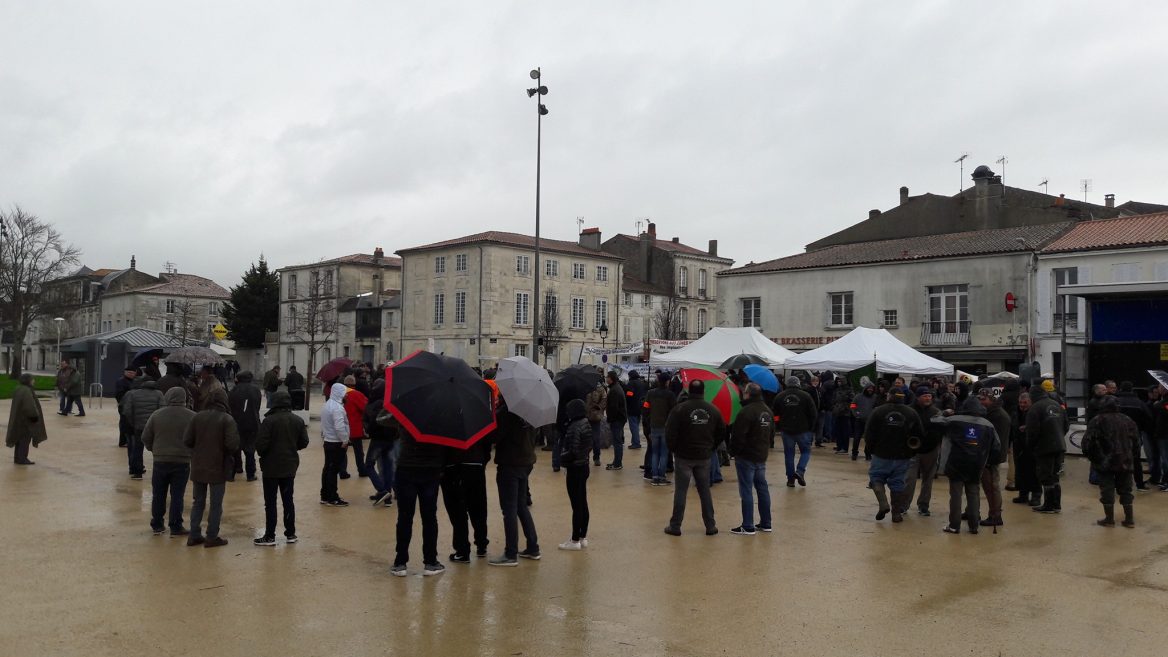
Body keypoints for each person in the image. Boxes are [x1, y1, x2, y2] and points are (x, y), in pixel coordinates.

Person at [663, 380, 725, 537]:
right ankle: (710, 525)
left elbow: (669, 433)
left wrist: (674, 449)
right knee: (704, 491)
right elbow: (721, 433)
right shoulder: (714, 410)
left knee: (681, 491)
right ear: (703, 391)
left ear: (689, 391)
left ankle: (675, 525)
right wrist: (711, 447)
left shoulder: (679, 409)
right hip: (704, 456)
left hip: (683, 455)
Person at [182, 388, 240, 548]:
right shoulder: (227, 419)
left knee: (197, 502)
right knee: (216, 504)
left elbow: (187, 440)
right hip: (218, 466)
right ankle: (212, 536)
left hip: (198, 465)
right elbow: (232, 445)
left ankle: (194, 534)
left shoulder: (197, 417)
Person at [934, 397, 1001, 534]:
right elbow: (997, 446)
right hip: (977, 464)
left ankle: (954, 526)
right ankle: (974, 526)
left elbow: (935, 421)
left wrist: (944, 413)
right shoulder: (988, 424)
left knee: (956, 495)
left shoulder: (954, 420)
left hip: (956, 462)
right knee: (973, 494)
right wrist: (990, 461)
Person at [254, 390, 310, 545]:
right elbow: (304, 442)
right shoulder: (297, 420)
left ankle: (270, 535)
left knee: (270, 502)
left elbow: (261, 444)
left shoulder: (269, 421)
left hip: (271, 467)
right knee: (288, 500)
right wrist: (292, 447)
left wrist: (265, 452)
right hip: (290, 465)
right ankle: (290, 534)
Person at [489, 399, 541, 566]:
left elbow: (494, 435)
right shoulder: (531, 409)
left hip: (510, 462)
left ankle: (511, 553)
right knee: (520, 506)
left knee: (509, 509)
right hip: (525, 461)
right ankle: (533, 547)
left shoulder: (507, 411)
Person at [141, 388, 196, 536]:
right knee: (177, 495)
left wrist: (154, 449)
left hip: (160, 460)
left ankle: (157, 524)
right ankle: (176, 525)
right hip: (182, 461)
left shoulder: (157, 415)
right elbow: (197, 439)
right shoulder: (192, 416)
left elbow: (145, 437)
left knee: (158, 493)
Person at [865, 389, 924, 522]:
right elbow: (919, 435)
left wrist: (871, 450)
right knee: (898, 483)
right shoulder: (911, 413)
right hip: (902, 455)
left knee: (876, 478)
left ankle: (883, 503)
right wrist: (911, 452)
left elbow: (869, 433)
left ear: (889, 395)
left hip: (881, 453)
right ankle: (896, 514)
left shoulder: (878, 411)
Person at [441, 409, 491, 563]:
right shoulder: (478, 413)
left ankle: (462, 550)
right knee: (478, 506)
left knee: (457, 510)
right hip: (475, 462)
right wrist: (482, 461)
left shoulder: (443, 415)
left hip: (452, 465)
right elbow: (487, 443)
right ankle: (481, 543)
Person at [1081, 396, 1138, 528]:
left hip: (1104, 462)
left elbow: (1087, 443)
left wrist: (1093, 457)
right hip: (1125, 462)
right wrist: (1131, 456)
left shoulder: (1097, 420)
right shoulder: (1127, 420)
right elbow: (1136, 442)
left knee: (1107, 490)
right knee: (1126, 490)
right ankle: (1129, 520)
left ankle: (1109, 519)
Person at [728, 383, 775, 535]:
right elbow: (771, 433)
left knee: (746, 489)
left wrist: (733, 452)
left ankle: (748, 525)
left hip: (746, 455)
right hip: (761, 454)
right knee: (762, 488)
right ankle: (766, 522)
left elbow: (738, 436)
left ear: (747, 394)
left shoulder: (746, 412)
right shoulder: (767, 410)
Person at [1029, 380, 1068, 514]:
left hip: (1044, 447)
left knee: (1045, 476)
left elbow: (1033, 431)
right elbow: (1066, 425)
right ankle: (1057, 505)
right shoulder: (1057, 405)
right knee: (1055, 476)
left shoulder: (1035, 408)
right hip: (1060, 446)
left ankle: (1048, 505)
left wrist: (1031, 446)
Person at [903, 386, 943, 515]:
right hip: (912, 450)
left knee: (928, 479)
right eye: (925, 396)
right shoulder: (908, 410)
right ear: (918, 397)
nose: (928, 398)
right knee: (909, 479)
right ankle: (904, 505)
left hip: (931, 449)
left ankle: (924, 505)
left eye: (930, 396)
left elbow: (942, 429)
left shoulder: (936, 411)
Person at [558, 398, 592, 550]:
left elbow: (572, 451)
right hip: (584, 465)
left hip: (574, 468)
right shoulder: (586, 423)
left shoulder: (573, 427)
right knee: (583, 503)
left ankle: (574, 540)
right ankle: (583, 536)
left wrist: (561, 458)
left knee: (576, 505)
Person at [774, 375, 817, 488]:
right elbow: (813, 414)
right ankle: (800, 471)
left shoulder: (780, 396)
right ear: (798, 384)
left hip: (786, 430)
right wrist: (811, 429)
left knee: (789, 455)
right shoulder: (806, 396)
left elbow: (775, 415)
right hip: (803, 430)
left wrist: (779, 425)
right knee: (806, 452)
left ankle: (790, 479)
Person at [979, 388, 1013, 527]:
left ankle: (995, 515)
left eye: (983, 399)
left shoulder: (997, 415)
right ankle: (994, 514)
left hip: (992, 456)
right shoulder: (994, 412)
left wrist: (990, 457)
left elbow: (994, 439)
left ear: (991, 399)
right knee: (990, 486)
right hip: (991, 455)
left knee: (992, 487)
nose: (981, 402)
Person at [120, 377, 165, 479]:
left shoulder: (133, 394)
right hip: (154, 427)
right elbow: (162, 410)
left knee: (137, 449)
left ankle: (137, 472)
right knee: (157, 449)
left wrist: (133, 422)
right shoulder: (159, 394)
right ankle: (158, 472)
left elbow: (127, 410)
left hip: (139, 426)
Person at [364, 379, 398, 507]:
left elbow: (374, 422)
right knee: (387, 467)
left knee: (368, 465)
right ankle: (387, 496)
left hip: (378, 439)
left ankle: (382, 490)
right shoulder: (390, 402)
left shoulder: (377, 404)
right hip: (390, 440)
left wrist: (368, 431)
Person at [1114, 381, 1154, 489]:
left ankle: (1118, 484)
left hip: (1116, 436)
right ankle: (1140, 484)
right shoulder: (1139, 403)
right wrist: (1142, 429)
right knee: (1136, 461)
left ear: (1120, 389)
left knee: (1117, 459)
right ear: (1132, 390)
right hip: (1134, 435)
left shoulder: (1114, 401)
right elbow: (1149, 419)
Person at [227, 370, 262, 482]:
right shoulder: (256, 390)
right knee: (250, 449)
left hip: (235, 423)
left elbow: (229, 407)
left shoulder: (233, 391)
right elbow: (257, 406)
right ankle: (250, 475)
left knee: (234, 449)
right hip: (252, 424)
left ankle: (231, 474)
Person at [642, 373, 677, 485]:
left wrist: (647, 423)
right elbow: (674, 412)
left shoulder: (650, 393)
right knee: (664, 453)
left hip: (653, 426)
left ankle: (655, 476)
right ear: (667, 382)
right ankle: (661, 477)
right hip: (666, 427)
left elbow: (646, 408)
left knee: (655, 452)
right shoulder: (670, 395)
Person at [319, 383, 350, 506]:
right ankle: (333, 497)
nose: (346, 394)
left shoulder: (327, 405)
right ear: (339, 393)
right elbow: (339, 426)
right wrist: (345, 440)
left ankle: (325, 495)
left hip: (328, 441)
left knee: (327, 468)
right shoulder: (337, 408)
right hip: (336, 443)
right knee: (333, 470)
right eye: (345, 392)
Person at [7, 373, 46, 465]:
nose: (34, 381)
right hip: (25, 420)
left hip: (18, 418)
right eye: (32, 379)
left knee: (18, 439)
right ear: (28, 380)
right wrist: (35, 418)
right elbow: (29, 407)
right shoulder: (26, 391)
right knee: (25, 439)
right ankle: (22, 459)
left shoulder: (19, 389)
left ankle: (18, 458)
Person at [1010, 393, 1042, 506]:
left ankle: (1036, 495)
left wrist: (1028, 428)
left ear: (1030, 402)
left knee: (1033, 472)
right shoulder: (1016, 413)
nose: (1022, 405)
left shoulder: (1034, 413)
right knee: (1020, 472)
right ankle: (1023, 494)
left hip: (1032, 447)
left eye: (1025, 403)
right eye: (1020, 403)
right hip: (1019, 447)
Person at [341, 375, 369, 478]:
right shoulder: (357, 394)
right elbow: (365, 408)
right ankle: (361, 470)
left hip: (342, 427)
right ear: (354, 384)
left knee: (342, 451)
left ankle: (343, 472)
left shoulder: (339, 395)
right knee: (358, 451)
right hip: (355, 427)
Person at [851, 378, 879, 461]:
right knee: (856, 438)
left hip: (870, 422)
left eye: (872, 388)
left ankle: (867, 453)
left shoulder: (875, 397)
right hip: (859, 421)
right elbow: (852, 405)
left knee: (868, 439)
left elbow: (877, 407)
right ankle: (854, 453)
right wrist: (856, 414)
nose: (870, 390)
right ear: (865, 388)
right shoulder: (858, 397)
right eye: (869, 388)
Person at [605, 371, 627, 470]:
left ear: (611, 378)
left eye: (607, 377)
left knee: (617, 442)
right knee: (617, 441)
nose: (606, 379)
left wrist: (610, 419)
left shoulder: (614, 390)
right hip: (619, 418)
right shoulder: (616, 388)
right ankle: (616, 462)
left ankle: (617, 464)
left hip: (617, 419)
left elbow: (614, 407)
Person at [585, 378, 607, 466]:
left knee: (596, 439)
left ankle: (596, 457)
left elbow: (604, 400)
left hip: (595, 417)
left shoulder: (600, 388)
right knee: (585, 438)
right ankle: (585, 456)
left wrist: (598, 408)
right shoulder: (584, 388)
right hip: (585, 416)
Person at [625, 370, 648, 450]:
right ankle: (634, 441)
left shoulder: (631, 383)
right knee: (636, 425)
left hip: (632, 407)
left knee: (633, 426)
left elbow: (629, 395)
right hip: (640, 407)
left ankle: (636, 443)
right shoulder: (641, 383)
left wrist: (627, 399)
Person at [830, 377, 854, 454]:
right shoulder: (837, 390)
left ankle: (845, 447)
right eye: (838, 381)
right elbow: (833, 400)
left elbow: (852, 401)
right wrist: (834, 408)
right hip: (837, 413)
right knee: (838, 431)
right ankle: (839, 446)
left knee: (845, 431)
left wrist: (846, 408)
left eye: (840, 381)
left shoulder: (849, 390)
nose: (839, 382)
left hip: (845, 413)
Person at [114, 368, 137, 447]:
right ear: (125, 372)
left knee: (129, 423)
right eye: (129, 372)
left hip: (132, 405)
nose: (131, 374)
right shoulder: (121, 381)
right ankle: (123, 441)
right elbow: (119, 394)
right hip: (124, 405)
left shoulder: (135, 381)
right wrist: (123, 403)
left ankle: (128, 440)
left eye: (133, 373)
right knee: (124, 422)